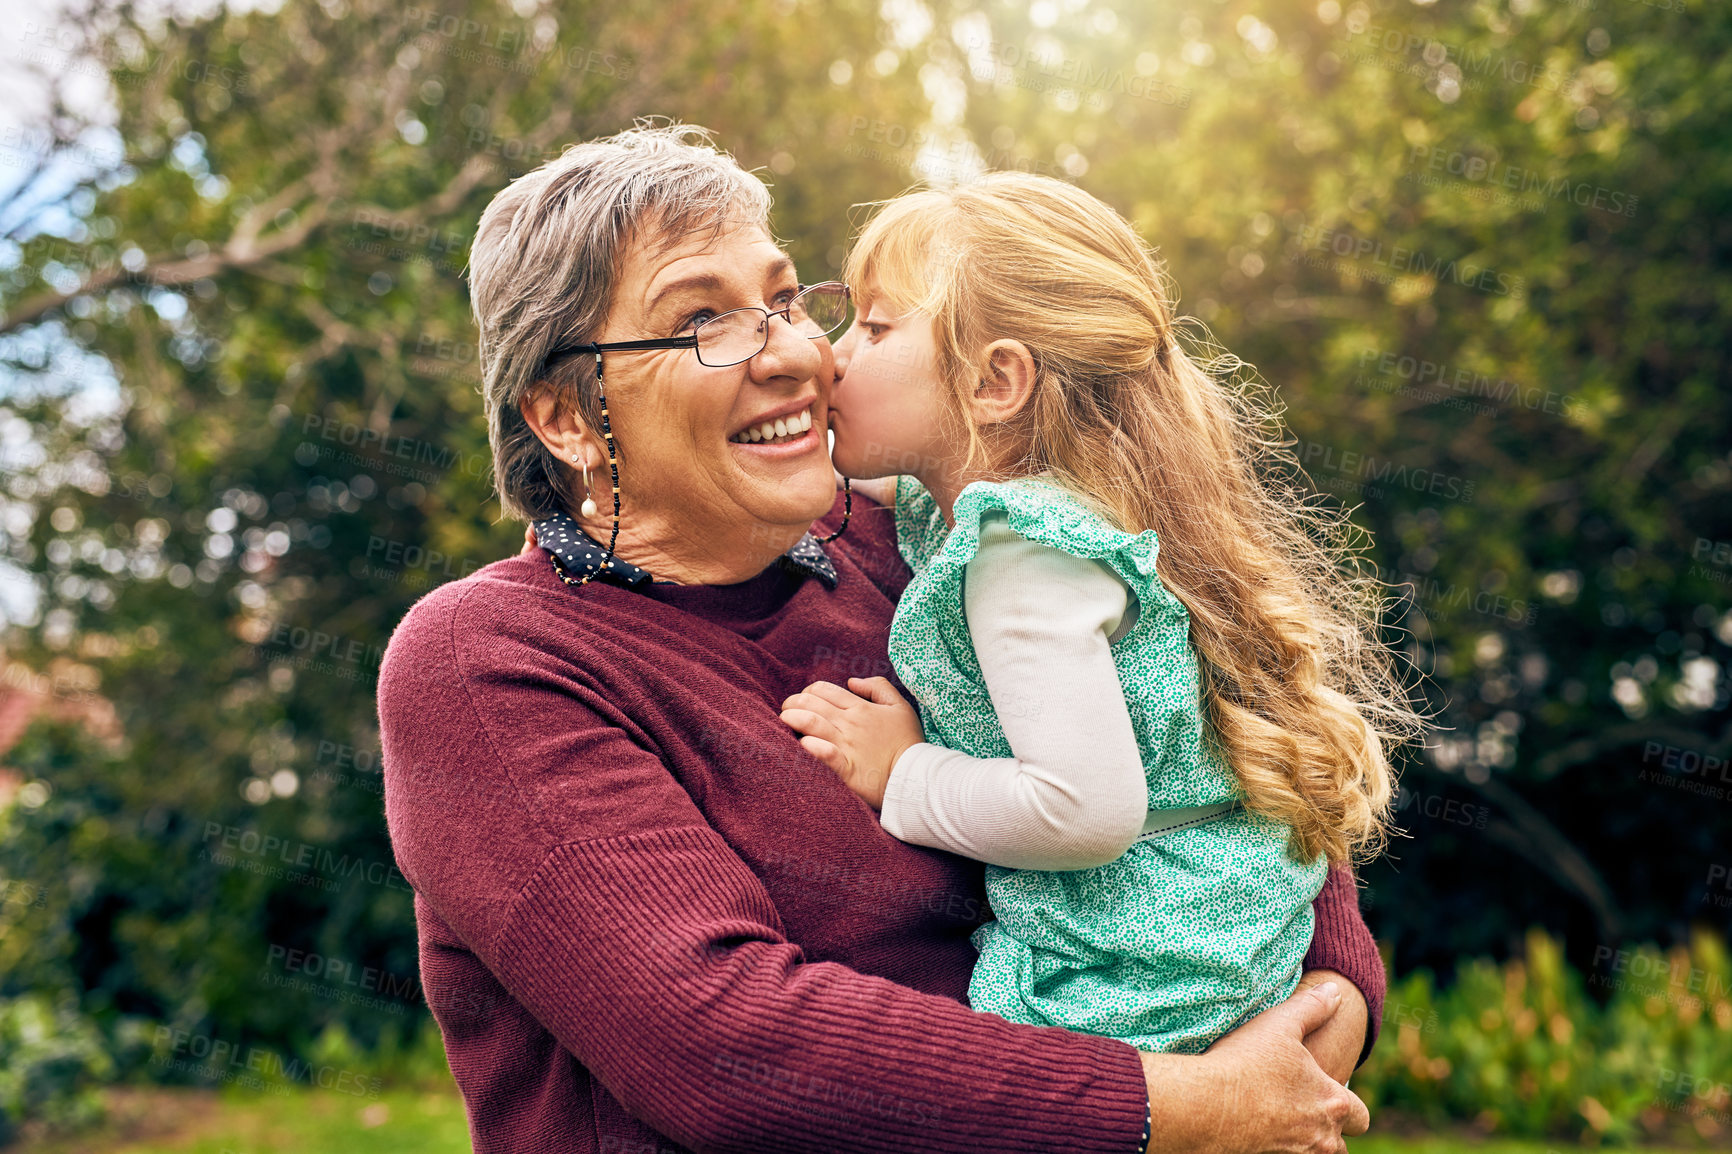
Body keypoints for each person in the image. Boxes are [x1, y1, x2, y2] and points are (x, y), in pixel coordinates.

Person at [378, 121, 1381, 1154]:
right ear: (567, 418)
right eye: (702, 320)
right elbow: (728, 1045)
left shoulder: (925, 541)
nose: (792, 352)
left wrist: (1328, 993)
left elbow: (1202, 743)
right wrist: (1185, 1105)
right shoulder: (492, 660)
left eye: (781, 299)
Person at [780, 172, 1423, 1057]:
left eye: (878, 327)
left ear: (997, 381)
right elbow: (875, 481)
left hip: (1135, 967)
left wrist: (904, 775)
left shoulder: (1025, 559)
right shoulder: (1059, 501)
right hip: (1217, 926)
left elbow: (1083, 810)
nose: (833, 353)